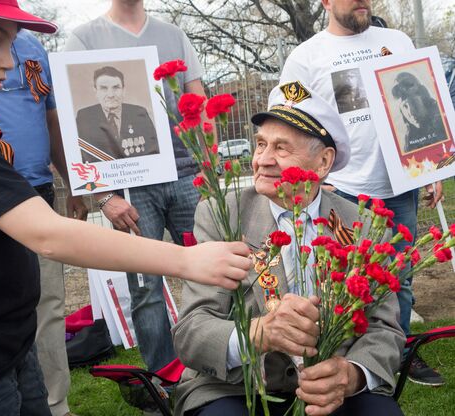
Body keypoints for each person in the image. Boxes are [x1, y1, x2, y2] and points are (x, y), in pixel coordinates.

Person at [0, 2, 253, 415]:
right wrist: (185, 259)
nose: (7, 62)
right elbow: (48, 234)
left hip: (3, 349)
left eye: (12, 45)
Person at [172, 82, 405, 416]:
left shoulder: (362, 226)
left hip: (331, 387)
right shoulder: (222, 216)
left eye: (281, 148)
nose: (262, 160)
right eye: (261, 144)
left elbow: (385, 328)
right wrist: (256, 335)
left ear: (323, 162)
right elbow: (192, 330)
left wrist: (350, 373)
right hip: (238, 386)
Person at [279, 0, 444, 386]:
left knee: (398, 279)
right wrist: (319, 178)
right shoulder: (305, 59)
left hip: (397, 189)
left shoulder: (397, 42)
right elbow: (291, 122)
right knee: (340, 280)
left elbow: (426, 105)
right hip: (343, 192)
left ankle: (395, 355)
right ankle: (341, 358)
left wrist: (435, 166)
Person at [64, 0, 210, 373]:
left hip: (183, 173)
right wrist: (104, 196)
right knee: (146, 289)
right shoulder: (83, 40)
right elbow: (72, 128)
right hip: (129, 187)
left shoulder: (173, 35)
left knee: (212, 270)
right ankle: (165, 377)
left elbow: (199, 101)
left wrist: (208, 160)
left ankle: (218, 362)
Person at [0, 30, 86, 416]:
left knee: (47, 304)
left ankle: (54, 403)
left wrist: (72, 181)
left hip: (37, 188)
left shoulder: (34, 46)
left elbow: (50, 118)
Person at [76, 65, 159, 163]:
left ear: (123, 90)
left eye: (116, 88)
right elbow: (81, 157)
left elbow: (154, 152)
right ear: (96, 91)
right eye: (103, 88)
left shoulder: (139, 113)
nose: (110, 95)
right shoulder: (84, 116)